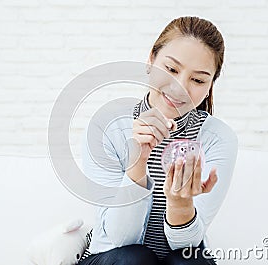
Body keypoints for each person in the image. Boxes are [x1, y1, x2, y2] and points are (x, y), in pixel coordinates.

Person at [79, 16, 238, 265]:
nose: (179, 88)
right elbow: (121, 239)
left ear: (210, 85)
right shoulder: (107, 127)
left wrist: (180, 203)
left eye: (197, 80)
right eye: (172, 69)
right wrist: (137, 163)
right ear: (151, 60)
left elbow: (186, 247)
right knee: (135, 258)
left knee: (190, 261)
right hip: (113, 258)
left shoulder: (216, 139)